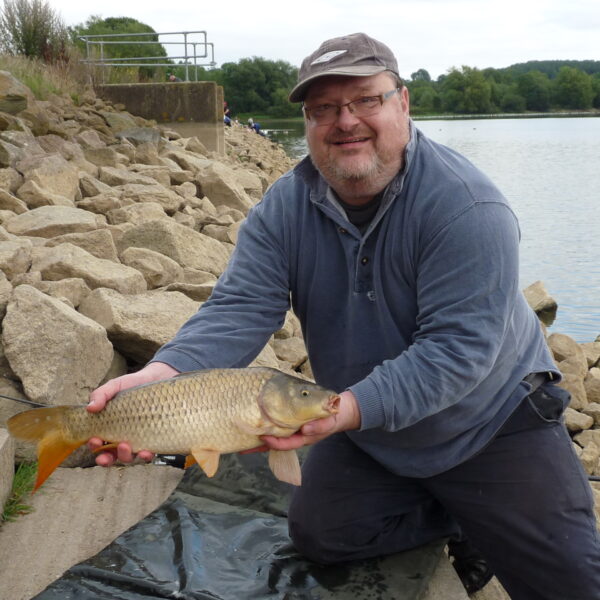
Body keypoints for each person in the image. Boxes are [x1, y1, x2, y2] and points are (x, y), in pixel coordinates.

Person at [88, 33, 600, 599]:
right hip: (376, 431)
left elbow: (457, 354)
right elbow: (240, 307)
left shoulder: (469, 208)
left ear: (402, 103)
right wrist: (163, 374)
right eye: (324, 108)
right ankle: (455, 516)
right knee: (322, 536)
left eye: (365, 100)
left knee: (574, 586)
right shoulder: (284, 207)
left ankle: (479, 516)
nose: (345, 121)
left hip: (491, 424)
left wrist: (348, 409)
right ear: (308, 123)